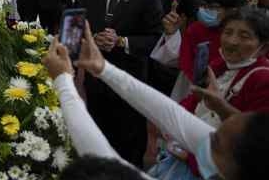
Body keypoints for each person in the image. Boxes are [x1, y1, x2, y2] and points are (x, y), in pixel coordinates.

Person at [44, 21, 269, 180]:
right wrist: (103, 68)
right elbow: (171, 114)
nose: (206, 137)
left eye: (216, 141)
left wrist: (63, 81)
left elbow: (104, 159)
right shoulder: (225, 147)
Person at [147, 6, 269, 180]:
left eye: (244, 36)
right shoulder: (219, 65)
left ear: (263, 47)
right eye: (228, 33)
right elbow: (193, 102)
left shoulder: (263, 79)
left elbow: (256, 142)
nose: (232, 42)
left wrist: (221, 108)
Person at [79, 0, 163, 167]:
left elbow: (156, 38)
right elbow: (76, 31)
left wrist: (122, 41)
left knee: (129, 140)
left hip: (131, 78)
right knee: (97, 134)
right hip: (97, 79)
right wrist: (91, 39)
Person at [178, 0, 247, 85]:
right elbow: (185, 61)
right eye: (202, 5)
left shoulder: (247, 35)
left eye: (212, 7)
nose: (203, 10)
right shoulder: (196, 29)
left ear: (233, 10)